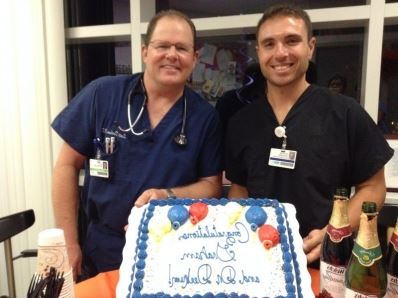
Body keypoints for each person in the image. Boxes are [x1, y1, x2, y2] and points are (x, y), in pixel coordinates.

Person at [51, 9, 223, 280]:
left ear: (195, 57)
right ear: (145, 51)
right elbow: (65, 166)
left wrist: (166, 195)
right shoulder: (102, 94)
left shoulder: (205, 118)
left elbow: (212, 185)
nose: (171, 55)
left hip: (173, 251)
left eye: (181, 48)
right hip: (103, 249)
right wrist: (68, 243)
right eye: (162, 45)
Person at [225, 4, 394, 267]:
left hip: (326, 264)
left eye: (291, 41)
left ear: (311, 47)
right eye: (269, 44)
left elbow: (373, 188)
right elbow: (239, 188)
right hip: (258, 262)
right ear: (259, 53)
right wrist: (244, 233)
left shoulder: (345, 113)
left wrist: (334, 232)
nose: (280, 53)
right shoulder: (241, 123)